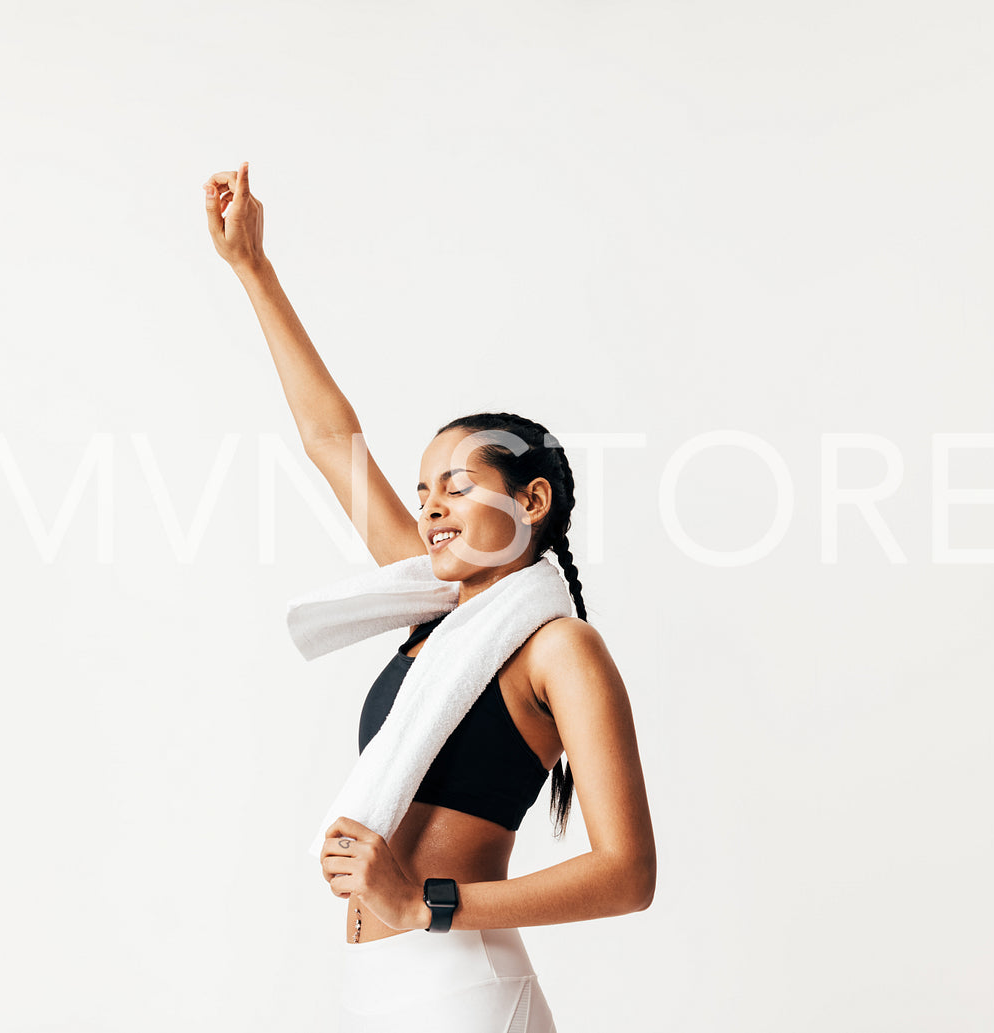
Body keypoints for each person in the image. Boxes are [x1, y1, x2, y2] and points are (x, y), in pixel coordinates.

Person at [204, 162, 656, 1031]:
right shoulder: (440, 612)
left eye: (456, 483)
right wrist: (252, 267)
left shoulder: (559, 648)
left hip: (462, 985)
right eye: (422, 493)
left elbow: (628, 872)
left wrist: (428, 902)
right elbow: (331, 440)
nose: (432, 506)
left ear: (532, 501)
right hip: (379, 988)